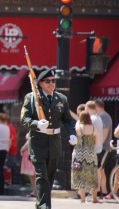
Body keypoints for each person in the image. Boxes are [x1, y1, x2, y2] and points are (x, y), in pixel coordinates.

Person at [21, 68, 76, 209]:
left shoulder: (61, 99)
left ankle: (42, 203)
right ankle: (44, 206)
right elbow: (24, 119)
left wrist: (72, 133)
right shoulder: (32, 98)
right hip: (38, 142)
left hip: (55, 142)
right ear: (40, 83)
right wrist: (36, 124)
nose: (51, 84)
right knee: (42, 175)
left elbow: (68, 120)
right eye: (48, 81)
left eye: (53, 81)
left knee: (49, 177)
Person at [71, 110, 99, 203]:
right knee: (92, 175)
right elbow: (97, 142)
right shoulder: (94, 128)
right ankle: (94, 198)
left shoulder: (79, 128)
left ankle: (83, 198)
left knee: (79, 175)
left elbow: (75, 139)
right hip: (91, 153)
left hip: (79, 153)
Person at [95, 99, 113, 199]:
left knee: (99, 169)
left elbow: (104, 133)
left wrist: (98, 145)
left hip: (104, 148)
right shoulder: (101, 117)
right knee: (101, 170)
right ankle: (104, 191)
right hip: (101, 147)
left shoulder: (104, 117)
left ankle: (98, 191)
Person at [20, 133, 36, 197]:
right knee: (32, 175)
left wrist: (22, 149)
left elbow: (29, 141)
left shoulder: (34, 129)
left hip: (31, 153)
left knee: (33, 174)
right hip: (30, 153)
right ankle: (34, 191)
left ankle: (35, 191)